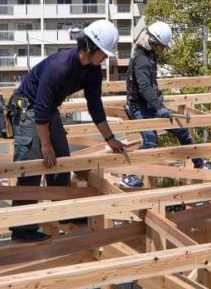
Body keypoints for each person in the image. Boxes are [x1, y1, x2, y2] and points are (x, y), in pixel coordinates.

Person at [8, 19, 128, 241]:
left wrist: (110, 138)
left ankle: (62, 212)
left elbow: (95, 106)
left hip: (47, 109)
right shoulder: (59, 66)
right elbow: (40, 108)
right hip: (27, 108)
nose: (105, 58)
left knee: (62, 161)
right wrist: (45, 145)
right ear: (90, 47)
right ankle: (22, 228)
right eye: (103, 52)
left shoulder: (92, 71)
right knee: (33, 165)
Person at [121, 21, 211, 187]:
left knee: (182, 132)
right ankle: (128, 173)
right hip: (139, 107)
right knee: (150, 142)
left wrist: (158, 105)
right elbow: (144, 87)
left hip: (151, 105)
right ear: (154, 42)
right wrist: (159, 107)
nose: (163, 50)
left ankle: (200, 163)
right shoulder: (141, 59)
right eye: (162, 47)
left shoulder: (149, 54)